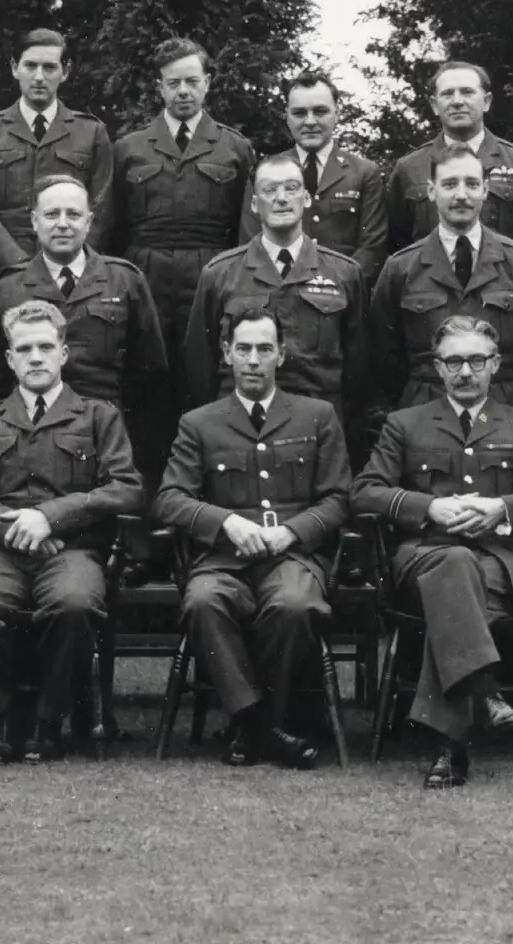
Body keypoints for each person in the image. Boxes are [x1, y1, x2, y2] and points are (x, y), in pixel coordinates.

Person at [352, 316, 513, 788]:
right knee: (454, 564)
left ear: (495, 364)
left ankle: (451, 745)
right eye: (453, 361)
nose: (465, 371)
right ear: (437, 368)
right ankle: (485, 693)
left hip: (501, 564)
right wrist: (429, 507)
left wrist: (502, 507)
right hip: (423, 559)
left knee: (458, 579)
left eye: (476, 360)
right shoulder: (405, 424)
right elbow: (365, 492)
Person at [0, 301, 144, 763]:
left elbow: (127, 488)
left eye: (45, 347)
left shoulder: (97, 416)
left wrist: (51, 517)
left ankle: (49, 719)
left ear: (63, 353)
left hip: (70, 551)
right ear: (9, 359)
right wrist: (9, 525)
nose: (35, 357)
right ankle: (0, 716)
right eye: (23, 348)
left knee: (75, 603)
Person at [153, 310, 351, 769]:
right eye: (243, 349)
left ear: (282, 354)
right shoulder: (199, 423)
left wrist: (291, 532)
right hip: (223, 559)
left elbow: (339, 498)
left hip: (294, 558)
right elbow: (169, 498)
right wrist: (225, 523)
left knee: (295, 606)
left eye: (265, 349)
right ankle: (262, 727)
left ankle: (250, 728)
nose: (254, 360)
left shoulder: (317, 416)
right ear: (226, 355)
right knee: (203, 601)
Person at [182, 152, 366, 422]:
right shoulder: (219, 273)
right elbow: (199, 366)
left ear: (306, 198)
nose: (281, 198)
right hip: (238, 424)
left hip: (317, 425)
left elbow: (358, 369)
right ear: (255, 204)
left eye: (291, 188)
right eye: (270, 190)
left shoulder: (344, 273)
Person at [110, 37, 255, 374]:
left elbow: (245, 228)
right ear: (160, 87)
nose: (184, 91)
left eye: (192, 81)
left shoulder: (234, 147)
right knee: (146, 369)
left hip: (212, 272)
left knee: (205, 367)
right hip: (145, 273)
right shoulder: (129, 148)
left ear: (207, 83)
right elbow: (111, 225)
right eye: (173, 83)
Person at [370, 142, 513, 412]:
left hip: (504, 409)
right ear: (431, 191)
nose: (461, 195)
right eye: (450, 184)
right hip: (425, 409)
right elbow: (384, 354)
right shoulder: (401, 268)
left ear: (486, 190)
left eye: (472, 184)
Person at [0, 176, 166, 413]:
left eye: (73, 215)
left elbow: (149, 371)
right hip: (31, 424)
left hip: (105, 425)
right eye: (52, 214)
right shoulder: (6, 287)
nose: (63, 224)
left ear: (88, 222)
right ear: (35, 221)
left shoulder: (125, 280)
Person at [0, 28, 114, 314]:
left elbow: (101, 210)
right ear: (15, 68)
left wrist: (67, 267)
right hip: (1, 275)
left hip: (72, 280)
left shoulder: (91, 133)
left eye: (49, 67)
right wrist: (20, 268)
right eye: (30, 66)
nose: (39, 76)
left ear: (65, 72)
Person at [386, 62, 513, 258]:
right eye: (447, 94)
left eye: (467, 92)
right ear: (435, 105)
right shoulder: (408, 169)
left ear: (487, 101)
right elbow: (397, 245)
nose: (457, 101)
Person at [240, 70, 388, 285]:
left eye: (320, 111)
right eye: (299, 113)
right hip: (275, 293)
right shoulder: (264, 172)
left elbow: (372, 248)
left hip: (341, 295)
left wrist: (334, 289)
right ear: (287, 116)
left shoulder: (364, 173)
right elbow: (249, 240)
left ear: (336, 113)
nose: (310, 121)